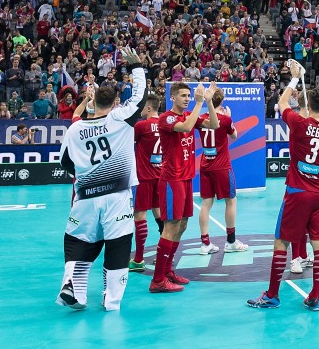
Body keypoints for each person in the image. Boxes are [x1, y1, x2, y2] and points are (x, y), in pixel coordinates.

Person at [55, 49, 147, 310]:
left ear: (93, 101)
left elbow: (65, 162)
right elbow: (139, 99)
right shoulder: (120, 120)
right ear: (116, 102)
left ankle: (73, 287)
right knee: (118, 246)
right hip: (116, 198)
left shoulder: (75, 129)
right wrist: (137, 66)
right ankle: (111, 300)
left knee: (79, 243)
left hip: (85, 199)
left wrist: (85, 174)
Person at [248, 60, 319, 311]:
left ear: (308, 104)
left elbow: (281, 103)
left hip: (297, 192)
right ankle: (315, 296)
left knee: (281, 243)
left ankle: (272, 295)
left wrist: (293, 78)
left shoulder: (299, 124)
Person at [150, 81, 207, 293]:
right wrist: (200, 103)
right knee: (171, 226)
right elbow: (185, 127)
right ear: (172, 98)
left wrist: (208, 102)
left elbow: (214, 126)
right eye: (182, 95)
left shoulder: (189, 115)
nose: (187, 99)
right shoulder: (167, 118)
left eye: (189, 96)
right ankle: (157, 280)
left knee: (182, 225)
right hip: (172, 179)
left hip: (186, 178)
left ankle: (167, 270)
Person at [197, 86, 249, 255]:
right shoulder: (225, 120)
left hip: (205, 164)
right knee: (231, 201)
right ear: (222, 101)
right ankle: (231, 241)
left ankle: (205, 243)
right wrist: (229, 118)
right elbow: (233, 135)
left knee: (206, 203)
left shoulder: (200, 119)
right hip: (221, 166)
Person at [129, 92, 164, 272]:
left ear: (149, 108)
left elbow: (127, 146)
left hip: (143, 177)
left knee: (140, 216)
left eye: (142, 107)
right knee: (159, 214)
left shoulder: (141, 126)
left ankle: (138, 259)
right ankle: (163, 255)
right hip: (161, 175)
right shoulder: (165, 124)